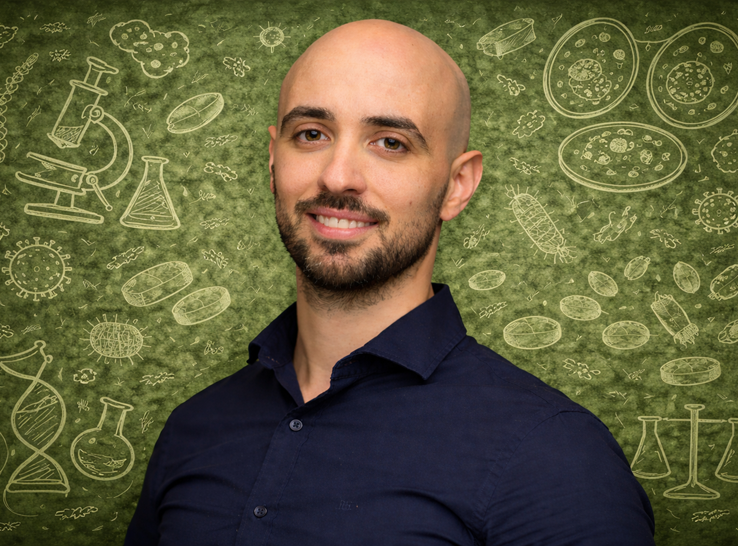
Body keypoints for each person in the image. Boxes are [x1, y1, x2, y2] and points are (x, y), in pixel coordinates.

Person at [125, 19, 655, 545]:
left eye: (390, 143)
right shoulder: (194, 428)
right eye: (311, 134)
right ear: (272, 159)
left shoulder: (553, 452)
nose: (338, 176)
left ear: (457, 185)